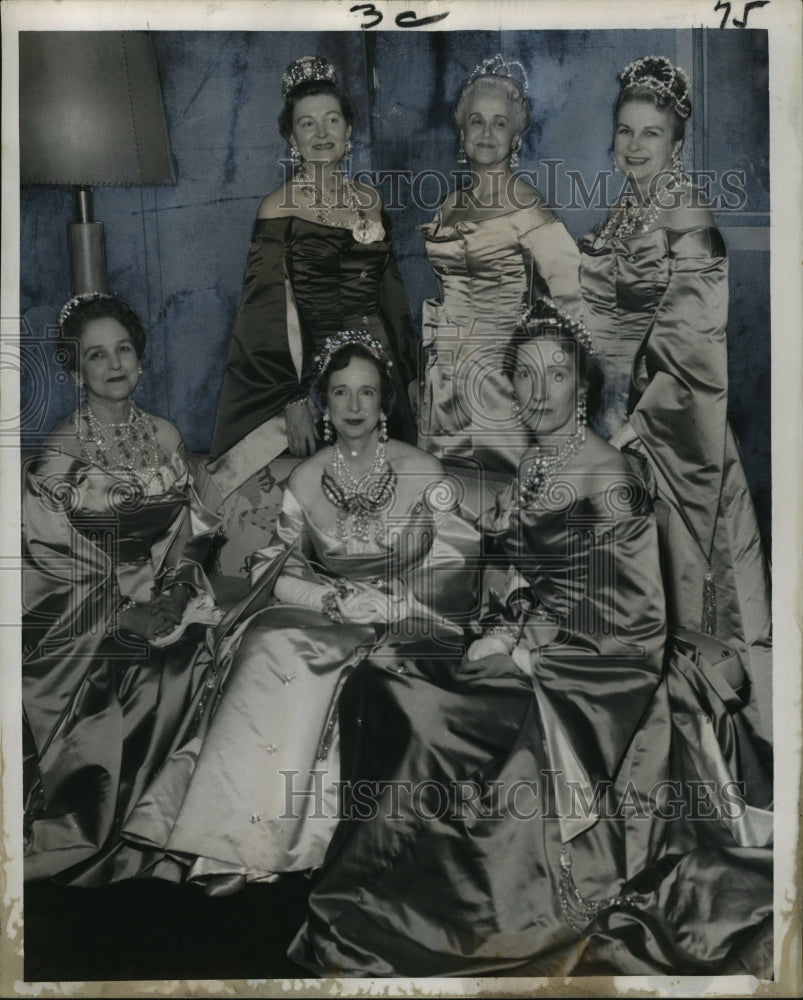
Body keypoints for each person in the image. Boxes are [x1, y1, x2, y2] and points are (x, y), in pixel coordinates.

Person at [289, 299, 772, 977]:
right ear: (509, 385)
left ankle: (435, 902)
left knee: (429, 709)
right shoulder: (536, 467)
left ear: (582, 384)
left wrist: (524, 649)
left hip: (596, 672)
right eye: (525, 375)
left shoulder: (611, 478)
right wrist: (500, 617)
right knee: (383, 674)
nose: (539, 392)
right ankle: (396, 882)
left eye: (556, 375)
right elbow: (517, 570)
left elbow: (632, 621)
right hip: (528, 643)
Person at [122, 332, 479, 891]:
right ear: (324, 402)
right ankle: (228, 842)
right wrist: (330, 598)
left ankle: (281, 844)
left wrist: (390, 604)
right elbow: (279, 569)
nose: (354, 407)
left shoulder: (423, 472)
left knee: (311, 652)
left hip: (402, 617)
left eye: (366, 393)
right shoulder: (306, 478)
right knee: (267, 639)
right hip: (330, 608)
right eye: (341, 393)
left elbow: (455, 569)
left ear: (384, 400)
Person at [578, 56, 772, 750]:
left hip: (668, 434)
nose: (633, 147)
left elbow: (692, 343)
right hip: (612, 424)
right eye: (624, 132)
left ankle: (699, 760)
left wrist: (630, 426)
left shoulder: (685, 210)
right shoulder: (628, 209)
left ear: (676, 142)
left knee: (678, 595)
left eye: (650, 134)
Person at [22, 292, 221, 885]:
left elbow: (194, 527)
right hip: (84, 621)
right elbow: (48, 560)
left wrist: (177, 595)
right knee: (150, 670)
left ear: (141, 357)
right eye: (96, 355)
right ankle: (110, 827)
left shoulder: (164, 436)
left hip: (163, 601)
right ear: (73, 369)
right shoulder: (61, 451)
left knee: (200, 654)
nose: (114, 365)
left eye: (124, 349)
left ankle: (177, 831)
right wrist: (122, 616)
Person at [207, 55, 418, 504]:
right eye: (307, 124)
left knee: (391, 494)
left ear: (347, 131)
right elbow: (261, 319)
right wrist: (294, 398)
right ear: (291, 136)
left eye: (331, 120)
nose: (321, 134)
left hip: (383, 377)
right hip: (318, 377)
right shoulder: (276, 208)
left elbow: (392, 294)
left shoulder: (370, 201)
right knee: (331, 497)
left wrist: (411, 375)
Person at [417, 53, 584, 475]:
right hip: (443, 383)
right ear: (462, 132)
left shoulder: (528, 209)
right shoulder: (450, 206)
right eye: (476, 121)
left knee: (504, 506)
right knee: (448, 504)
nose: (487, 133)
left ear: (516, 137)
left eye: (500, 122)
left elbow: (577, 296)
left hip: (500, 385)